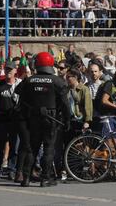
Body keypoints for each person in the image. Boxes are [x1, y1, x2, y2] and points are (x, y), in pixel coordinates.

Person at [16, 52, 70, 187]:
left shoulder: (29, 80)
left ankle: (26, 178)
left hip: (33, 118)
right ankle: (45, 178)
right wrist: (67, 120)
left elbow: (19, 97)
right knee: (48, 148)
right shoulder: (58, 81)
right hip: (51, 118)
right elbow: (65, 104)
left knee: (32, 148)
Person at [0, 62, 22, 180]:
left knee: (15, 147)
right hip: (1, 120)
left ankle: (12, 170)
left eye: (11, 69)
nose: (8, 71)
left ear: (15, 71)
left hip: (15, 121)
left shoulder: (20, 85)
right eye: (7, 69)